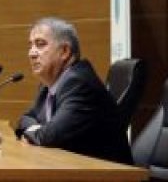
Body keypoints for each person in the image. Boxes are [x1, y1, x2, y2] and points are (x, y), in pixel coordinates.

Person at [16, 17, 132, 164]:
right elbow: (24, 119)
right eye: (30, 45)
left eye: (40, 45)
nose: (31, 53)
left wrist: (37, 131)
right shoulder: (49, 84)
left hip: (110, 180)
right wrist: (37, 129)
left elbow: (51, 136)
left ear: (64, 51)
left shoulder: (79, 83)